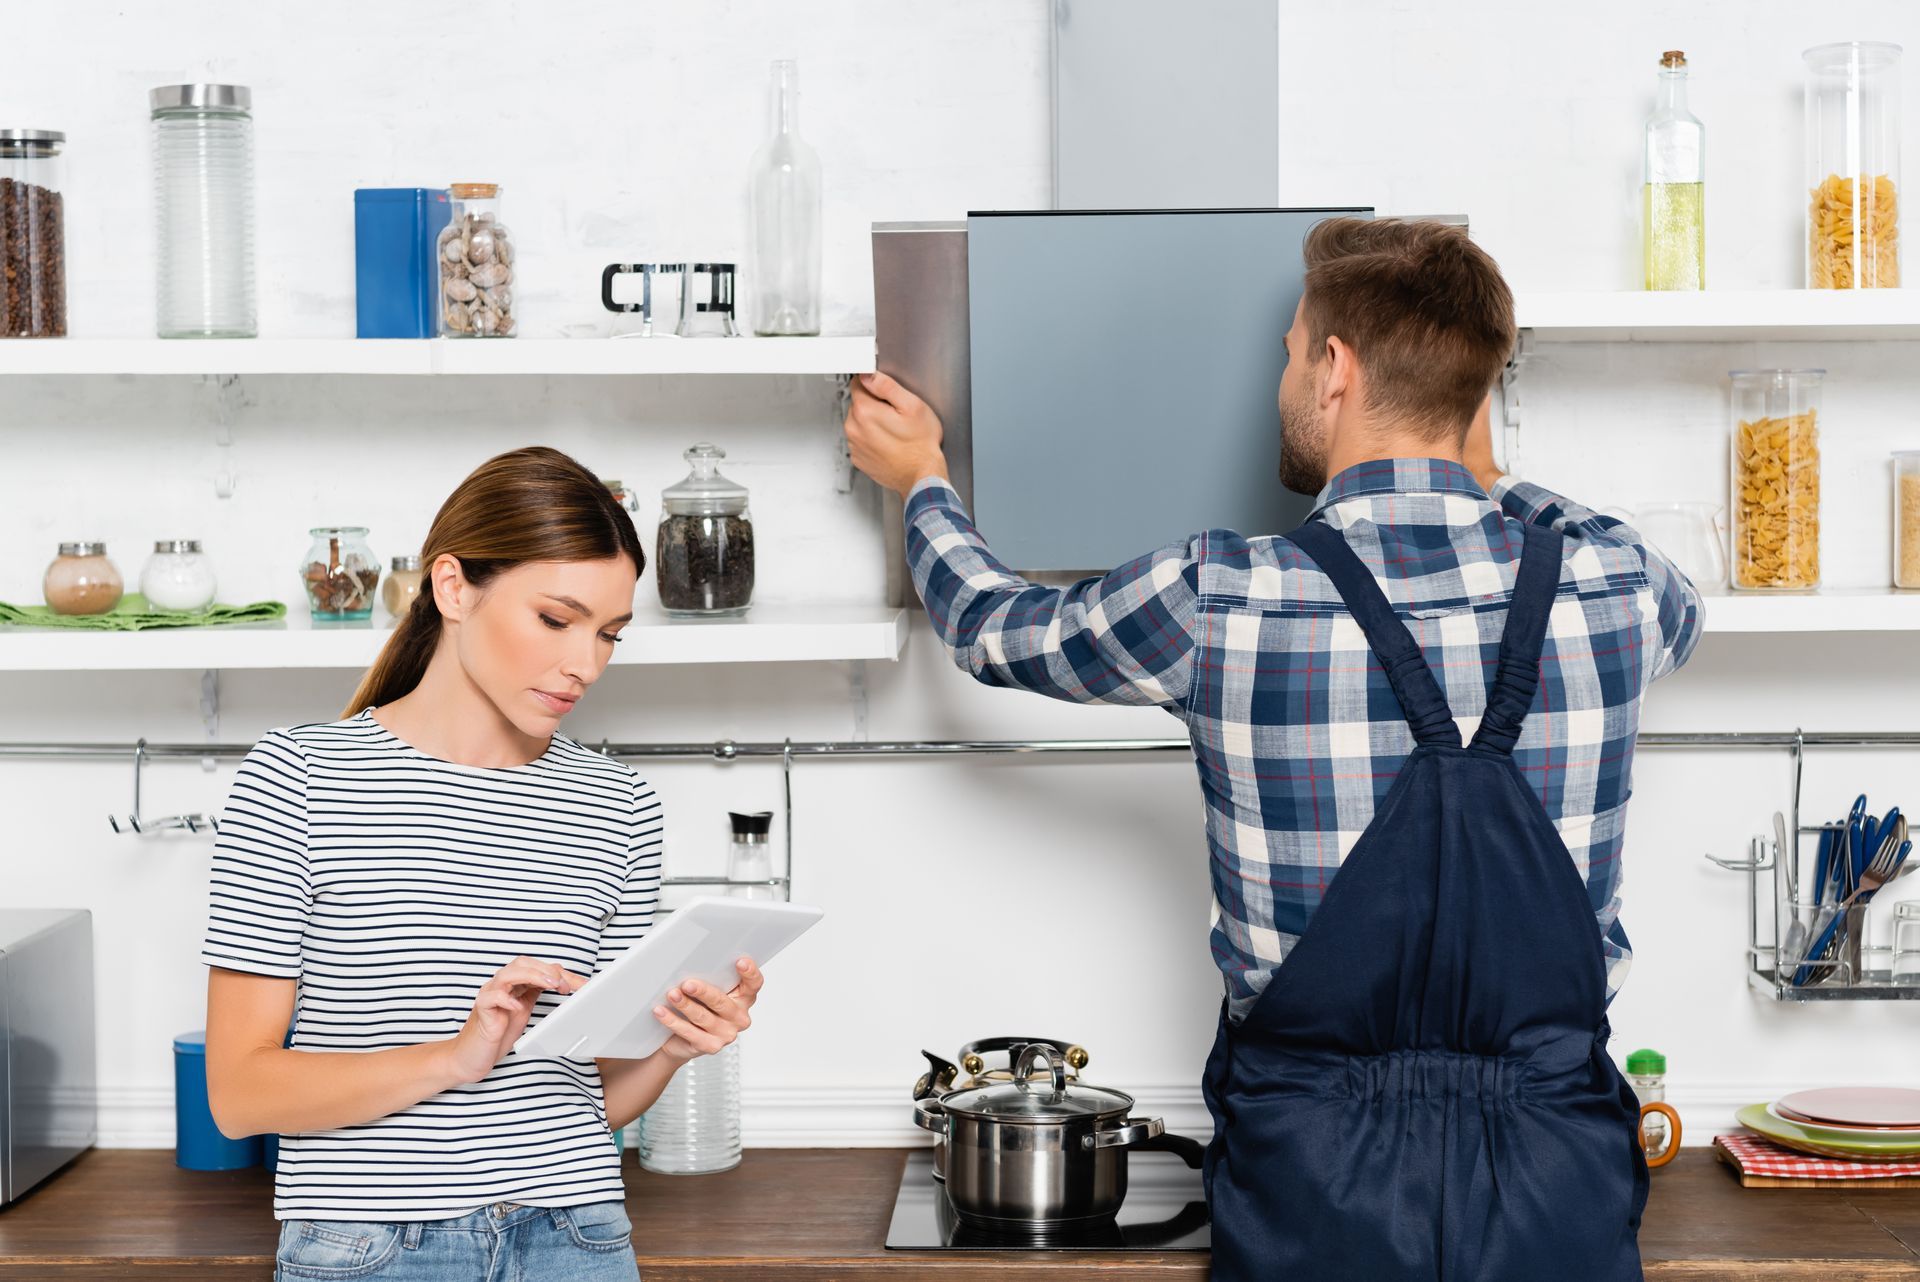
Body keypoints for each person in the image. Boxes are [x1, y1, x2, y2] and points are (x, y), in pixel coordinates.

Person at [843, 217, 1702, 1281]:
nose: (1286, 374)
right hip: (1556, 1173)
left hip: (1312, 1180)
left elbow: (987, 627)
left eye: (1293, 349)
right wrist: (1488, 468)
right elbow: (1673, 592)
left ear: (1336, 369)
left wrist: (923, 478)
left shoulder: (1219, 596)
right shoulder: (1618, 588)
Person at [201, 446, 767, 1282]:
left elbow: (585, 1101)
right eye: (556, 619)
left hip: (579, 1238)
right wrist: (454, 1059)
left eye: (609, 634)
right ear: (454, 586)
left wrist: (675, 1047)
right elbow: (240, 1095)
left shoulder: (620, 806)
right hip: (372, 1245)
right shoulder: (299, 780)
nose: (585, 664)